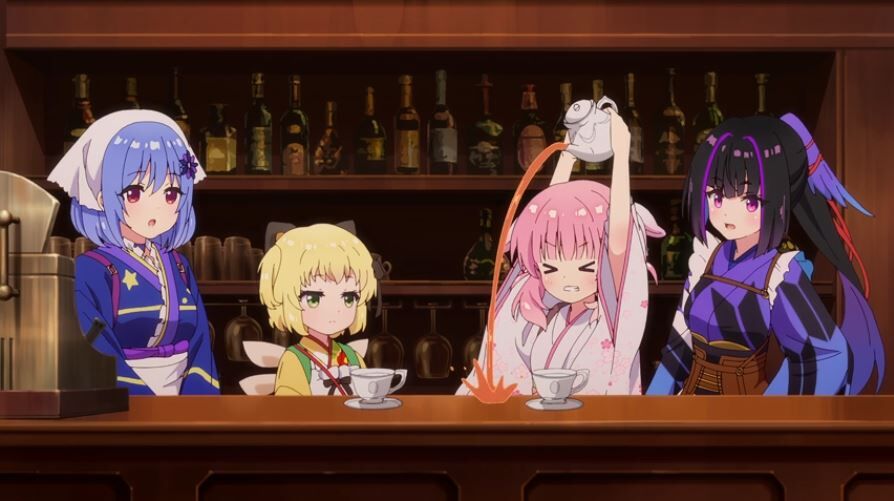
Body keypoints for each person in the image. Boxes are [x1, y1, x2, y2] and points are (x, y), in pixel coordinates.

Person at [647, 114, 884, 395]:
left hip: (743, 409)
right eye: (717, 196)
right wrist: (654, 405)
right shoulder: (706, 258)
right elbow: (678, 349)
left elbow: (827, 356)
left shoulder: (780, 274)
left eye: (749, 201)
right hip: (690, 403)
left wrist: (771, 409)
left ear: (779, 201)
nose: (728, 212)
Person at [457, 106, 665, 396]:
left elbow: (618, 236)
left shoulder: (610, 310)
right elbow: (548, 222)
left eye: (586, 267)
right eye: (551, 268)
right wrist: (568, 155)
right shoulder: (544, 304)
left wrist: (621, 154)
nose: (567, 279)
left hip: (599, 421)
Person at [48, 109, 219, 395]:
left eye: (171, 194)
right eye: (135, 193)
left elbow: (200, 336)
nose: (157, 207)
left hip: (184, 398)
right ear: (102, 197)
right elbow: (95, 342)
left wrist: (196, 397)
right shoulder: (92, 269)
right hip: (127, 396)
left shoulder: (178, 265)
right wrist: (140, 401)